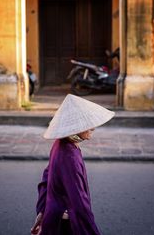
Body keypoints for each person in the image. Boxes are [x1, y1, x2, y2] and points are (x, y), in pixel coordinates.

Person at [31, 94, 115, 235]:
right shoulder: (70, 156)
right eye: (88, 125)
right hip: (63, 223)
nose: (93, 128)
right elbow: (80, 203)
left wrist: (42, 210)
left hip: (53, 216)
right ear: (75, 129)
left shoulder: (59, 144)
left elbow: (46, 177)